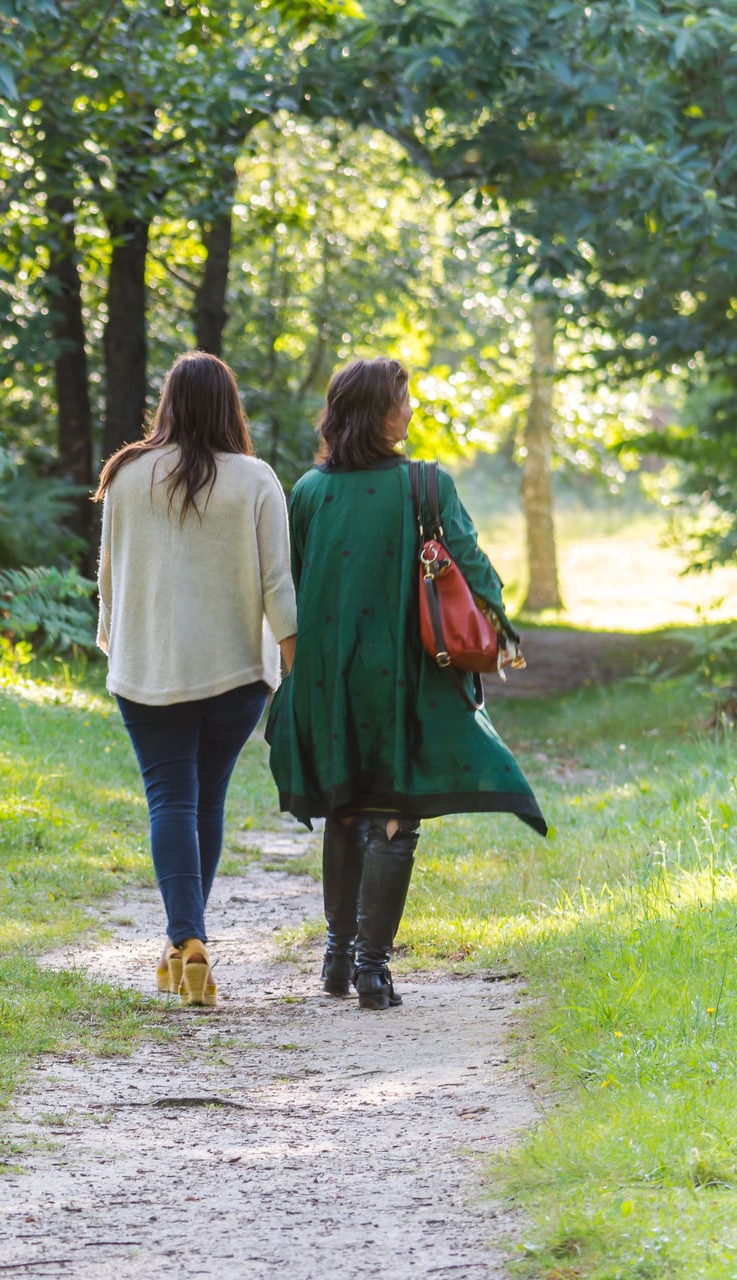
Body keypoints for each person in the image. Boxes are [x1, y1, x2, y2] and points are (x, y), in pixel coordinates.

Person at [268, 357, 546, 1011]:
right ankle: (370, 969)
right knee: (393, 814)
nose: (412, 409)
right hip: (400, 676)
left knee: (345, 802)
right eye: (404, 399)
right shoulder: (426, 484)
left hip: (328, 679)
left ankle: (336, 959)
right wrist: (501, 628)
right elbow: (470, 558)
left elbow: (293, 582)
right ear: (379, 412)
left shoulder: (307, 490)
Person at [97, 351, 297, 1008]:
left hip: (148, 669)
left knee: (171, 803)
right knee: (204, 803)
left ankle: (186, 940)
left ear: (169, 404)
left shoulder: (125, 475)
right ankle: (186, 945)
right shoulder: (256, 479)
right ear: (229, 406)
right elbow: (277, 585)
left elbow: (110, 579)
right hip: (235, 674)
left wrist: (115, 648)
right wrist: (295, 669)